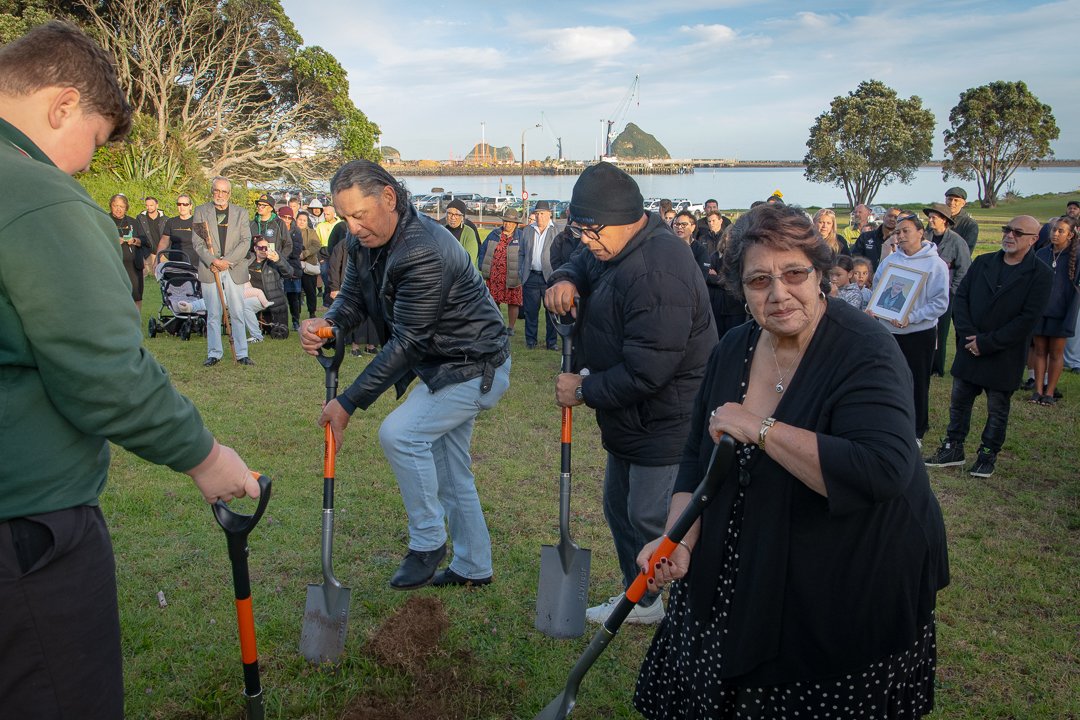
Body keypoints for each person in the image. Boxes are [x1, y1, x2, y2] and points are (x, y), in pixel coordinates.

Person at [0, 21, 259, 719]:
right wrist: (203, 455)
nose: (85, 164)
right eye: (91, 136)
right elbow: (105, 372)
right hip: (25, 530)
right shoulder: (36, 196)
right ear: (59, 105)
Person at [633, 203, 948, 719]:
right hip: (741, 562)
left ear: (822, 275)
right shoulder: (732, 347)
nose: (778, 294)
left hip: (843, 579)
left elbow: (883, 468)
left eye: (794, 273)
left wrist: (760, 429)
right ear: (742, 289)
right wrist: (680, 538)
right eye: (759, 281)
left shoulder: (865, 348)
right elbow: (695, 456)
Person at [299, 160, 511, 589]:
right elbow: (354, 299)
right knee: (451, 471)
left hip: (476, 366)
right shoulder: (365, 244)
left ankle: (428, 542)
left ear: (389, 198)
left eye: (359, 215)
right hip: (443, 366)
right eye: (344, 218)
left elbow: (409, 341)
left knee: (401, 434)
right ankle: (474, 567)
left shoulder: (423, 249)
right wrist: (330, 323)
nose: (353, 227)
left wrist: (348, 402)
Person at [544, 162, 716, 625]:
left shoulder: (659, 269)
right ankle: (642, 598)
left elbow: (650, 370)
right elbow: (580, 260)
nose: (584, 240)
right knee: (618, 508)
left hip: (668, 420)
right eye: (577, 228)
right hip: (630, 418)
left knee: (652, 520)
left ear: (626, 218)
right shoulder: (611, 247)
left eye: (590, 230)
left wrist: (584, 389)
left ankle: (682, 609)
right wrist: (564, 278)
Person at [924, 216, 1052, 478]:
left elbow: (1027, 319)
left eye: (1018, 232)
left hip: (1004, 354)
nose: (1010, 236)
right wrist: (970, 337)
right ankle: (953, 447)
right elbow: (961, 299)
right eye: (1007, 230)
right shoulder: (983, 262)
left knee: (997, 409)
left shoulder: (1041, 274)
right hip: (970, 347)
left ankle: (987, 454)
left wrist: (987, 343)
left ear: (1033, 239)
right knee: (959, 402)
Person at [869, 214, 949, 444]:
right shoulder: (891, 260)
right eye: (898, 232)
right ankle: (887, 423)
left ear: (920, 232)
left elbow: (939, 303)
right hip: (888, 331)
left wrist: (911, 318)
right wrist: (875, 309)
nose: (901, 236)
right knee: (886, 379)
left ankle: (916, 430)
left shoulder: (935, 264)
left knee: (917, 381)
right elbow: (878, 289)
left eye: (906, 231)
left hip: (918, 334)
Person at [192, 175, 254, 366]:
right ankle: (214, 353)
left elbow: (246, 241)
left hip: (233, 268)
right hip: (210, 269)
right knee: (213, 313)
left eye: (224, 191)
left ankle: (242, 353)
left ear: (229, 193)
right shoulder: (201, 211)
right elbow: (197, 241)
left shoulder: (241, 213)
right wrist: (213, 261)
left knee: (237, 311)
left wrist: (226, 261)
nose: (220, 194)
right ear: (212, 192)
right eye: (216, 191)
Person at [1027, 216, 1079, 405]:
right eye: (1053, 230)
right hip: (1041, 311)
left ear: (1071, 235)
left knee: (1056, 353)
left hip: (1062, 312)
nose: (1055, 234)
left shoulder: (1076, 256)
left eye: (1061, 231)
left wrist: (1070, 314)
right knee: (1040, 351)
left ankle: (1049, 392)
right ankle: (1038, 390)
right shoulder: (1041, 253)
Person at [924, 203, 972, 377]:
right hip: (924, 289)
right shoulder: (925, 237)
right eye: (929, 217)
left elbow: (964, 268)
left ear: (944, 220)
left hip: (946, 291)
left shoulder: (957, 242)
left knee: (942, 331)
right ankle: (926, 362)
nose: (930, 220)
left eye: (933, 218)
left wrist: (953, 290)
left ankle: (937, 367)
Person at [520, 200, 560, 350]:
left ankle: (552, 342)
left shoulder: (557, 231)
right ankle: (531, 341)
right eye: (536, 214)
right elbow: (521, 254)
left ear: (549, 214)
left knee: (551, 311)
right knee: (531, 312)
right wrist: (521, 270)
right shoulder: (528, 230)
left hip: (549, 278)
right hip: (530, 276)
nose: (539, 217)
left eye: (542, 213)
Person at [477, 208, 525, 335]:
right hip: (494, 274)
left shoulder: (521, 236)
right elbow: (483, 249)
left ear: (516, 224)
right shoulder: (494, 234)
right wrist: (481, 265)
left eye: (510, 222)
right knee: (493, 301)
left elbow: (525, 255)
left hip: (513, 274)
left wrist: (522, 271)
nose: (507, 224)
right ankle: (497, 324)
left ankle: (511, 327)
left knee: (513, 302)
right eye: (505, 221)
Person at [108, 193, 148, 308]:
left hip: (133, 266)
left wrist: (135, 240)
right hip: (113, 265)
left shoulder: (133, 222)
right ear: (111, 206)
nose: (118, 209)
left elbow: (145, 241)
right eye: (116, 206)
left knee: (136, 295)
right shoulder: (105, 220)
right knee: (115, 295)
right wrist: (114, 240)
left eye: (122, 206)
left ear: (126, 208)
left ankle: (136, 323)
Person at [294, 210, 321, 321]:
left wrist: (305, 253)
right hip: (295, 265)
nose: (301, 222)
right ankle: (296, 317)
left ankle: (312, 312)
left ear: (307, 222)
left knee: (310, 291)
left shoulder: (312, 232)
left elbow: (316, 245)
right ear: (296, 220)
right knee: (295, 293)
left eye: (304, 220)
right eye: (300, 220)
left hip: (309, 266)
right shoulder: (291, 232)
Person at [158, 194, 198, 267]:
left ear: (190, 206)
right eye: (179, 204)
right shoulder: (171, 221)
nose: (182, 207)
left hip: (194, 264)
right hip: (175, 263)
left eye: (185, 204)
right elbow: (164, 242)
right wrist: (156, 260)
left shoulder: (197, 221)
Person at [134, 195, 168, 275]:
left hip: (163, 254)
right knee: (146, 278)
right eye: (147, 205)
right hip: (147, 253)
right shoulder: (140, 219)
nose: (149, 207)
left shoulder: (165, 219)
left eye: (151, 205)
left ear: (157, 205)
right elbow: (138, 235)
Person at [444, 199, 479, 265]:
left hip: (462, 273)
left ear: (462, 217)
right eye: (450, 213)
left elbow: (470, 260)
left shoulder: (469, 233)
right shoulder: (442, 230)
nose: (453, 217)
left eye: (457, 214)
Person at [945, 186, 979, 253]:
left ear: (963, 203)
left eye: (956, 200)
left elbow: (967, 250)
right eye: (950, 199)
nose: (952, 203)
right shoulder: (937, 219)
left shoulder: (970, 224)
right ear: (945, 200)